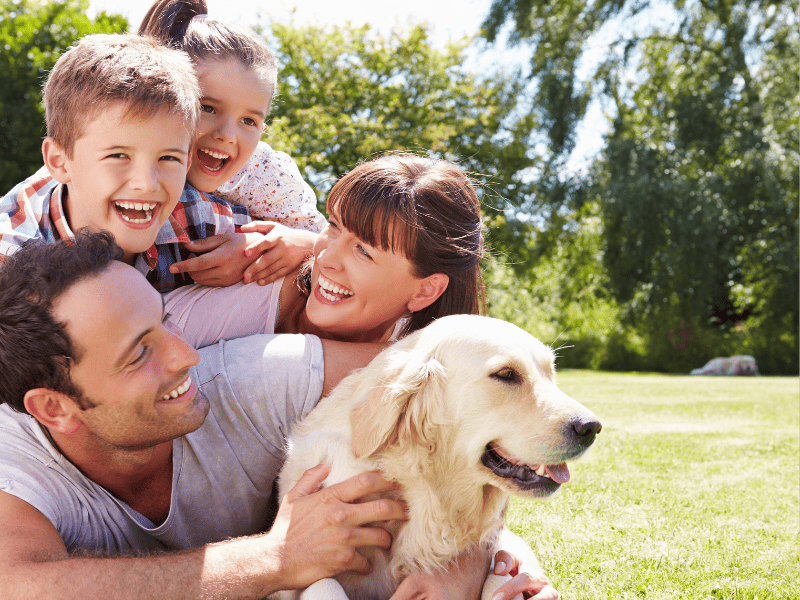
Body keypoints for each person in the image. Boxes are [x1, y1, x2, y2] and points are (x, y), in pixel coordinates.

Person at [0, 232, 555, 600]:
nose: (185, 354)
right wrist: (273, 558)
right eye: (140, 353)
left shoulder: (255, 378)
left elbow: (468, 395)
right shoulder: (14, 460)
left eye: (164, 323)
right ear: (54, 408)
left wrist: (471, 558)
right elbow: (16, 584)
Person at [0, 33, 278, 291]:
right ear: (59, 162)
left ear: (187, 159)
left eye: (168, 158)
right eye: (118, 156)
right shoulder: (13, 257)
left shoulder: (193, 215)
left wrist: (290, 247)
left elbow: (300, 251)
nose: (146, 184)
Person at [166, 153, 486, 347]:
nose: (326, 258)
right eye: (333, 226)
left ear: (426, 291)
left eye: (364, 251)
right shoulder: (259, 282)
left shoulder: (428, 378)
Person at [139, 0, 327, 286]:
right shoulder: (128, 150)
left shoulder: (265, 175)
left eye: (249, 121)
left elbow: (323, 242)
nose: (227, 134)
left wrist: (271, 245)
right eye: (208, 108)